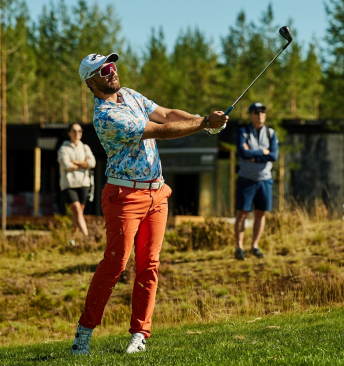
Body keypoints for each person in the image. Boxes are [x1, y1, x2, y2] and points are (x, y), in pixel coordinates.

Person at [70, 53, 228, 355]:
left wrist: (204, 123)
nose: (112, 71)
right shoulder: (105, 116)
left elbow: (166, 115)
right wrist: (205, 123)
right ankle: (84, 333)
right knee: (115, 264)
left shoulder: (129, 94)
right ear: (91, 82)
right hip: (124, 197)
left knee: (149, 265)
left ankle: (140, 335)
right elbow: (159, 131)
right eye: (104, 70)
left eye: (112, 66)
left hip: (156, 193)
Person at [233, 102, 278, 261]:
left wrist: (254, 155)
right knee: (242, 213)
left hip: (265, 180)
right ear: (250, 115)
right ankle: (239, 247)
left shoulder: (271, 133)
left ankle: (255, 246)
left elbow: (273, 156)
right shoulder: (243, 132)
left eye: (262, 112)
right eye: (256, 112)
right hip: (246, 179)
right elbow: (243, 153)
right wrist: (262, 152)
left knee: (261, 213)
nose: (260, 115)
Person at [57, 123, 96, 245]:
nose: (77, 133)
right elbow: (66, 165)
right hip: (69, 185)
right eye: (74, 131)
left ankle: (72, 240)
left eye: (80, 131)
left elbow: (92, 163)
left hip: (84, 183)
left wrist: (75, 162)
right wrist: (83, 164)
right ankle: (87, 237)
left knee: (77, 214)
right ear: (69, 133)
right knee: (78, 211)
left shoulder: (85, 147)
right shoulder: (63, 149)